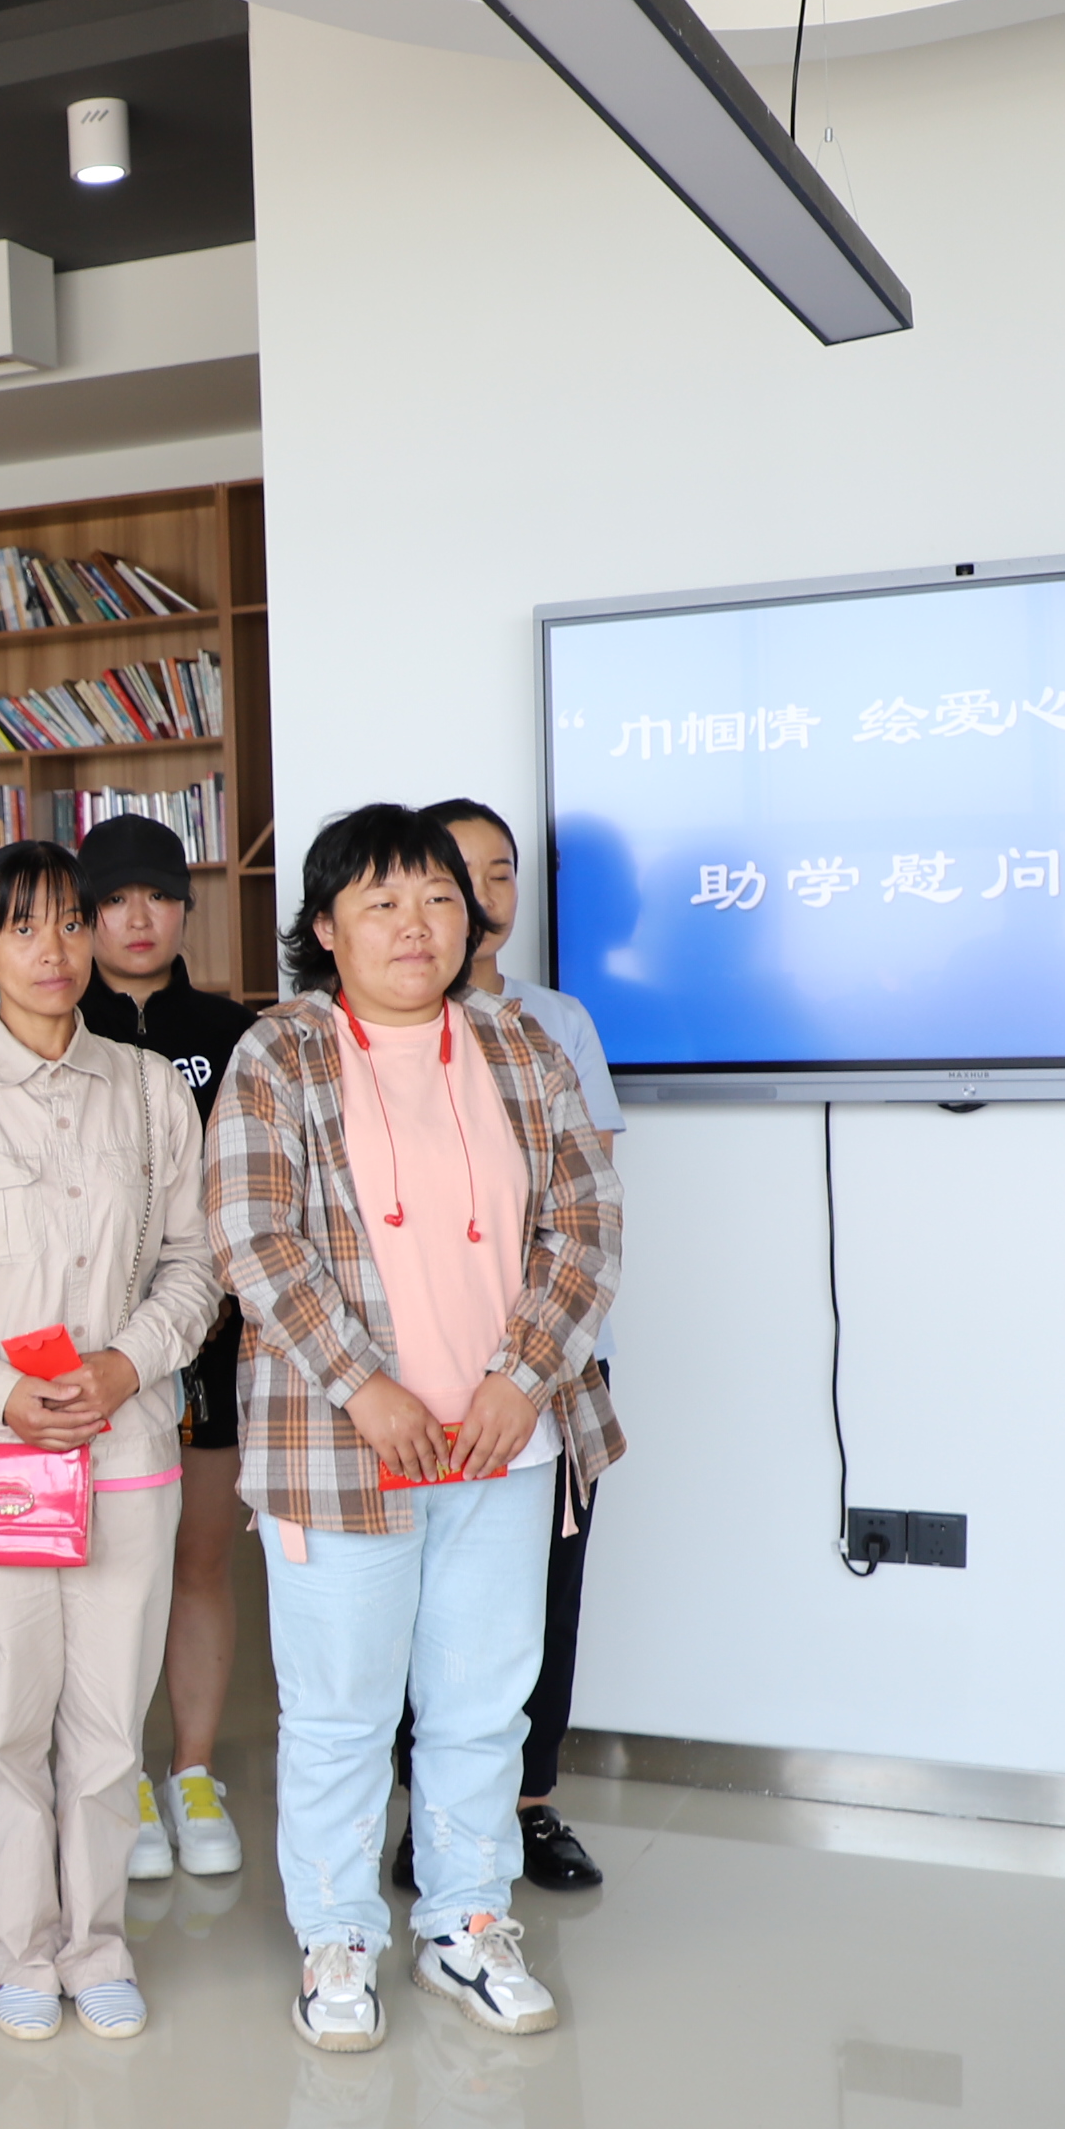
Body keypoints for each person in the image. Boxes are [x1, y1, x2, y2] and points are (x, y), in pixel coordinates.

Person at [206, 805, 620, 2052]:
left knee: (480, 1701)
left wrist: (520, 1379)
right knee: (338, 1708)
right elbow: (253, 1235)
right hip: (341, 1446)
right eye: (378, 902)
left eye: (437, 898)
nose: (413, 924)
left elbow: (584, 1224)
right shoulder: (279, 1052)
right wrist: (363, 1387)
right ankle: (336, 1935)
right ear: (324, 928)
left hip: (504, 1440)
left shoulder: (518, 1045)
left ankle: (465, 1918)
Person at [0, 840, 216, 2041]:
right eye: (23, 926)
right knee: (11, 1715)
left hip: (124, 1442)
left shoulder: (149, 1089)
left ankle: (96, 1942)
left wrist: (127, 1361)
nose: (54, 949)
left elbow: (193, 1262)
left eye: (71, 921)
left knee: (110, 1717)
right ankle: (20, 1945)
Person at [411, 797, 625, 1893]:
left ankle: (530, 1802)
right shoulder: (363, 1031)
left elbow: (585, 1199)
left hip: (547, 1360)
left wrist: (524, 1360)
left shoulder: (556, 1023)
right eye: (455, 875)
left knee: (543, 1591)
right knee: (413, 1600)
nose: (482, 896)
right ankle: (428, 1813)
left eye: (499, 872)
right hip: (414, 1374)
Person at [74, 815, 263, 1883]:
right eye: (113, 900)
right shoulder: (61, 1024)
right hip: (94, 1347)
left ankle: (191, 1769)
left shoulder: (233, 1031)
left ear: (187, 909)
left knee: (197, 1557)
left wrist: (219, 1297)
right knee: (107, 1567)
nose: (137, 918)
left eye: (157, 896)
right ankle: (121, 1773)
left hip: (214, 1334)